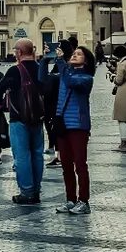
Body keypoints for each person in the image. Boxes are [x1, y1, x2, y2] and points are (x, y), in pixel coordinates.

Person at [47, 45, 95, 215]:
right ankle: (70, 199)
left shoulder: (86, 78)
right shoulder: (65, 73)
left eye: (79, 54)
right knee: (66, 164)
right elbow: (43, 79)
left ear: (86, 60)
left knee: (80, 164)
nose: (74, 55)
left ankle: (84, 201)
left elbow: (71, 82)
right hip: (63, 124)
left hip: (78, 125)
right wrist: (46, 58)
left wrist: (61, 61)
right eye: (73, 53)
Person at [0, 39, 46, 204]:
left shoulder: (15, 70)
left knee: (22, 156)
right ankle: (36, 190)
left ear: (19, 52)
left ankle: (26, 191)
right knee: (37, 154)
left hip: (19, 117)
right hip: (38, 118)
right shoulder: (41, 68)